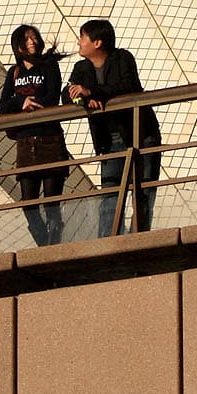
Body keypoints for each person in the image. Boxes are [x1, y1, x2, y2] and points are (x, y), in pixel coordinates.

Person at [65, 19, 162, 236]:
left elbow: (128, 86)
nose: (79, 42)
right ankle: (109, 242)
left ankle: (139, 239)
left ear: (97, 42)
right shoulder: (82, 68)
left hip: (141, 133)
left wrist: (92, 92)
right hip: (109, 141)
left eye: (83, 37)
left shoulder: (122, 58)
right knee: (110, 196)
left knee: (144, 193)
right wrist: (83, 100)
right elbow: (68, 94)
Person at [0, 25, 71, 246]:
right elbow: (3, 105)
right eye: (27, 39)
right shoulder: (15, 72)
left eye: (35, 37)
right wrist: (22, 102)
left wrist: (32, 106)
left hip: (49, 140)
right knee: (28, 203)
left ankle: (53, 248)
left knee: (52, 204)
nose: (33, 42)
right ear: (18, 44)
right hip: (25, 143)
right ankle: (45, 246)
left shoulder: (49, 67)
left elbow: (51, 98)